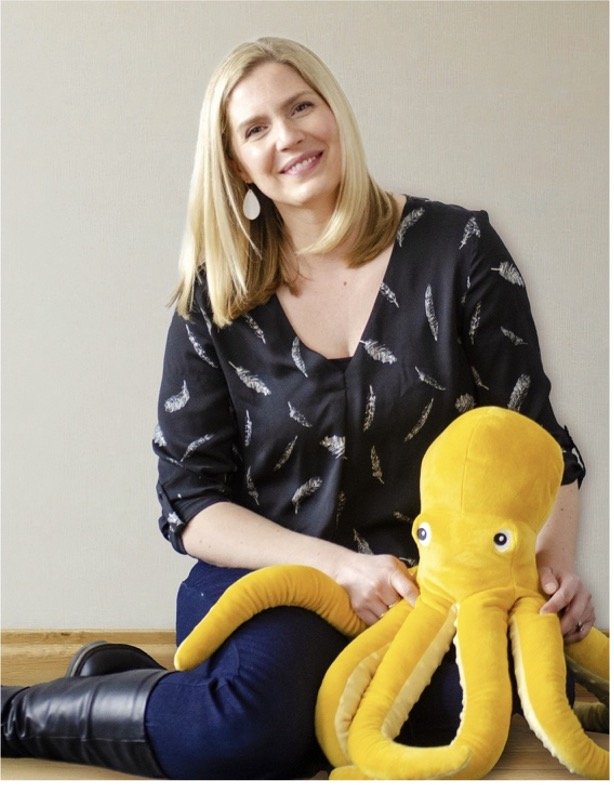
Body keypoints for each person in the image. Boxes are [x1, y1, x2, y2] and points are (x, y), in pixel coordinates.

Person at [2, 36, 593, 779]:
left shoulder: (459, 248)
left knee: (471, 710)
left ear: (334, 112)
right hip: (274, 575)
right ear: (236, 165)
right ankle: (20, 711)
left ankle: (153, 688)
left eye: (301, 106)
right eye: (256, 129)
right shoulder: (214, 296)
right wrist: (340, 568)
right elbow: (191, 503)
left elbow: (539, 442)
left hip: (435, 587)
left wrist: (550, 569)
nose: (288, 137)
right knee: (254, 725)